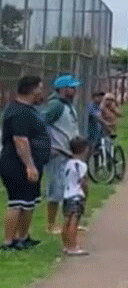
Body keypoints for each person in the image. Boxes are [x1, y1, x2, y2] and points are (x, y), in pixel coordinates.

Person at [1, 75, 50, 250]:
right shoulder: (18, 111)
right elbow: (20, 140)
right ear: (33, 90)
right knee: (17, 202)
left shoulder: (28, 110)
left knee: (28, 202)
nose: (42, 93)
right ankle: (8, 241)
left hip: (32, 163)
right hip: (17, 164)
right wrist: (29, 165)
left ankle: (22, 237)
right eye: (40, 88)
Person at [40, 74, 81, 236]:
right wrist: (49, 146)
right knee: (55, 189)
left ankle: (66, 223)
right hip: (58, 153)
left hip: (69, 153)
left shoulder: (68, 105)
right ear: (63, 89)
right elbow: (41, 124)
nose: (75, 90)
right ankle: (50, 225)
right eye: (72, 87)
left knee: (67, 189)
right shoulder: (55, 105)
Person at [60, 137, 89, 256]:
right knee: (74, 222)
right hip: (76, 196)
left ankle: (66, 245)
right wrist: (86, 193)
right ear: (84, 149)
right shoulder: (81, 165)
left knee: (66, 221)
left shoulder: (67, 164)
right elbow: (83, 182)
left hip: (67, 195)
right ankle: (73, 246)